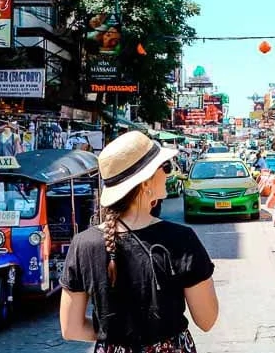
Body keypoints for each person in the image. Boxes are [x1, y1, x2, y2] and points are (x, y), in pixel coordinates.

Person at [59, 131, 219, 352]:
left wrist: (113, 336)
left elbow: (71, 328)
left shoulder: (82, 244)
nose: (168, 173)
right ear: (145, 183)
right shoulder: (181, 239)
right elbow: (207, 320)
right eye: (165, 167)